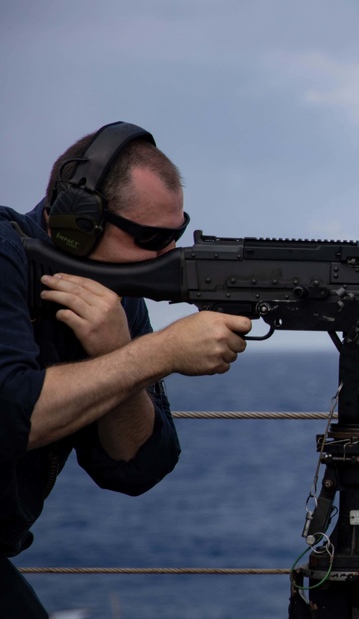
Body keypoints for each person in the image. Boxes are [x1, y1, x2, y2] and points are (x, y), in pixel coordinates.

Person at [0, 122, 252, 616]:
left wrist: (116, 351)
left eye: (174, 235)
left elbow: (138, 469)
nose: (165, 254)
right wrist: (156, 353)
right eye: (150, 237)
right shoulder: (6, 254)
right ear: (79, 220)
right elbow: (11, 414)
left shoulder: (117, 293)